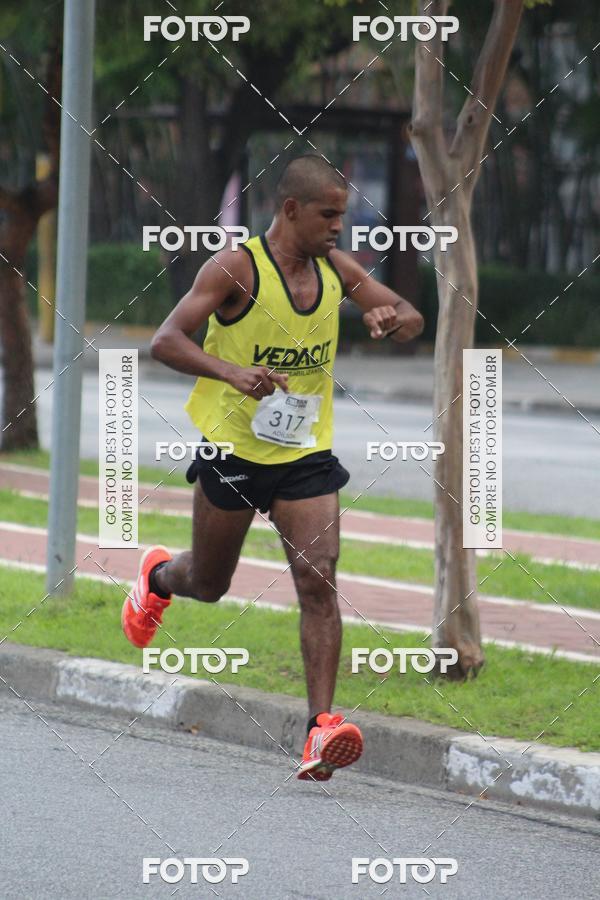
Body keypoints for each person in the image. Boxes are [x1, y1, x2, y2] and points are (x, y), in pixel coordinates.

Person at [122, 154, 424, 780]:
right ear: (291, 210)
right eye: (329, 215)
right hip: (232, 451)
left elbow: (411, 319)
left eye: (343, 215)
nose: (340, 227)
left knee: (319, 579)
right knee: (210, 583)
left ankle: (320, 729)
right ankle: (158, 578)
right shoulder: (236, 267)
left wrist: (389, 318)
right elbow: (165, 341)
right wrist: (232, 372)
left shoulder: (338, 270)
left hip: (305, 456)